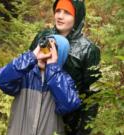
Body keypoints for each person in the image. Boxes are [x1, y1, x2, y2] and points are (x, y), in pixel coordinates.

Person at [29, 0, 102, 135]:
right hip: (36, 110)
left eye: (67, 12)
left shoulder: (88, 50)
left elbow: (93, 96)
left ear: (77, 16)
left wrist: (83, 131)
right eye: (58, 11)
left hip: (68, 121)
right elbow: (28, 68)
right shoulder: (43, 36)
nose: (60, 16)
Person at [0, 30, 83, 135]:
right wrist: (32, 56)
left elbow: (70, 105)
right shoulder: (25, 74)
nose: (46, 54)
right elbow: (0, 80)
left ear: (61, 55)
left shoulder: (63, 79)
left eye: (52, 51)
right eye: (45, 49)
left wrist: (52, 68)